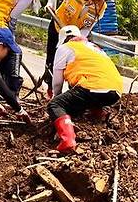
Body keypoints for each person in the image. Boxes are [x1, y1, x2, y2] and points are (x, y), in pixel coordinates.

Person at [49, 25, 123, 153]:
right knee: (81, 91)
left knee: (55, 105)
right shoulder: (94, 47)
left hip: (93, 88)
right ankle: (98, 113)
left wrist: (57, 98)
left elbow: (57, 82)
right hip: (115, 92)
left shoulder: (64, 48)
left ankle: (68, 141)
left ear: (64, 39)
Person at [43, 0, 115, 94]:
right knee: (53, 59)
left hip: (78, 33)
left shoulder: (102, 8)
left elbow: (87, 28)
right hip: (58, 26)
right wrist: (51, 3)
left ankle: (75, 93)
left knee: (77, 61)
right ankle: (51, 89)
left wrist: (76, 39)